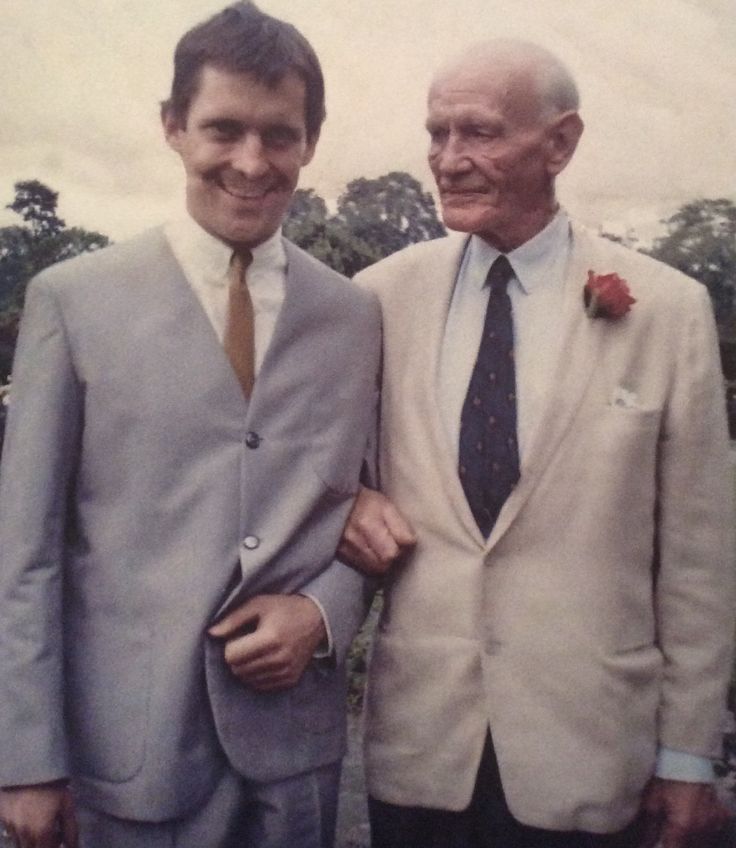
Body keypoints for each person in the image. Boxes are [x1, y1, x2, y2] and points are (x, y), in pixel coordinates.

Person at [339, 40, 735, 848]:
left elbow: (698, 558)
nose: (448, 160)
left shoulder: (667, 310)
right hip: (421, 755)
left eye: (478, 133)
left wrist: (689, 758)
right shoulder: (376, 299)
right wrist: (351, 497)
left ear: (560, 142)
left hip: (591, 759)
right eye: (436, 133)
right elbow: (318, 472)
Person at [0, 3, 379, 847]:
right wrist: (28, 760)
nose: (251, 162)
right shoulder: (75, 301)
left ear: (311, 140)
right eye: (223, 129)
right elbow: (25, 549)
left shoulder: (355, 316)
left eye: (280, 135)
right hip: (130, 762)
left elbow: (377, 509)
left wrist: (324, 612)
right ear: (173, 127)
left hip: (295, 761)